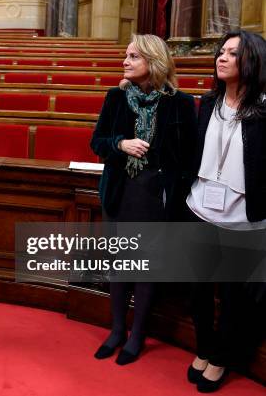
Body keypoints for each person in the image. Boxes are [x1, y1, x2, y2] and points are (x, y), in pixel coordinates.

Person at [90, 34, 197, 365]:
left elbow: (190, 156)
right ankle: (117, 330)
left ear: (153, 61)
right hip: (121, 191)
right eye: (125, 55)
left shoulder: (180, 102)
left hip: (155, 194)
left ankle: (137, 336)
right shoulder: (116, 97)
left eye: (133, 56)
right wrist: (121, 145)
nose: (125, 61)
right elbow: (98, 142)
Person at [185, 30, 266, 393]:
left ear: (252, 61)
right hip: (199, 209)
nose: (222, 57)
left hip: (242, 220)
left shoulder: (264, 112)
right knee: (197, 289)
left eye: (233, 53)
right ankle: (203, 347)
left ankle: (220, 358)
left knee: (234, 298)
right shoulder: (208, 103)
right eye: (221, 51)